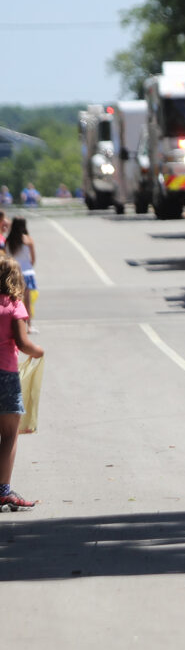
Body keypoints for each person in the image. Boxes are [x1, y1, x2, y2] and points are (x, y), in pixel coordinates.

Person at [0, 255, 44, 511]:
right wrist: (38, 351)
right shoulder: (14, 306)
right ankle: (3, 491)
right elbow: (22, 343)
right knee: (8, 434)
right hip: (5, 375)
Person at [5, 217, 36, 324]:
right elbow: (33, 260)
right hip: (27, 273)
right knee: (27, 301)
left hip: (13, 273)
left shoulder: (8, 241)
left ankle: (14, 324)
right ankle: (29, 324)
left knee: (13, 300)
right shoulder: (28, 240)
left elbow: (6, 258)